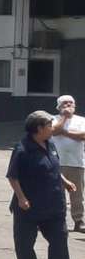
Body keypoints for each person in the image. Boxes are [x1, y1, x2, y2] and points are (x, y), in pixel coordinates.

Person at [7, 110, 77, 259]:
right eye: (49, 125)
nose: (52, 128)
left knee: (60, 236)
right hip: (29, 205)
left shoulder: (50, 144)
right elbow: (13, 177)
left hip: (53, 202)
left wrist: (65, 182)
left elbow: (53, 167)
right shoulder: (22, 149)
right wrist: (21, 198)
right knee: (25, 241)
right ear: (39, 128)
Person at [51, 95, 85, 233]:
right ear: (59, 106)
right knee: (56, 193)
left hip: (77, 162)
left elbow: (82, 135)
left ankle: (79, 221)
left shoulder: (81, 120)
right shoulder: (53, 119)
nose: (69, 105)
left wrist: (64, 132)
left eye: (71, 102)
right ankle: (57, 220)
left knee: (78, 195)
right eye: (65, 103)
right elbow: (54, 131)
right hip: (57, 162)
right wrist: (64, 118)